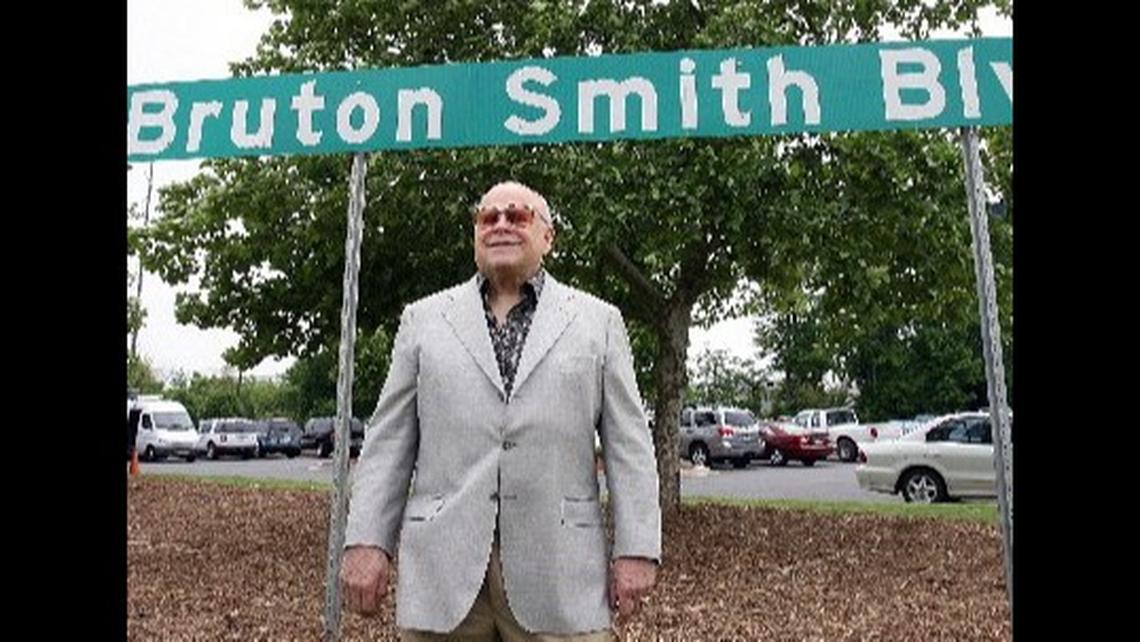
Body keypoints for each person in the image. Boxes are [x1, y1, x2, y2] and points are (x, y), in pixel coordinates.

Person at [340, 181, 661, 641]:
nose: (502, 225)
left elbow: (629, 447)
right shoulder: (423, 321)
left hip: (560, 577)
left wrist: (637, 549)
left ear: (547, 237)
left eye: (518, 215)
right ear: (475, 236)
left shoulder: (599, 322)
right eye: (489, 218)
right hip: (443, 578)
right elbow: (388, 442)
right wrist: (368, 541)